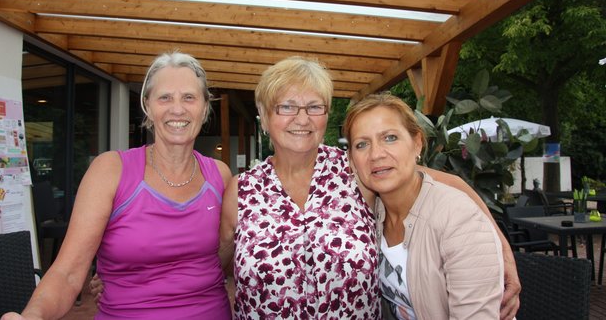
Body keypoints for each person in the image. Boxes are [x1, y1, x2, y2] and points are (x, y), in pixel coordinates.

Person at [218, 56, 520, 319]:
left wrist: (503, 254)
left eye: (314, 106)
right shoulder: (242, 190)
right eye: (287, 107)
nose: (302, 118)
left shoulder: (355, 168)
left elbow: (451, 185)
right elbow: (221, 263)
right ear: (264, 118)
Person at [2, 51, 232, 320]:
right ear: (148, 105)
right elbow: (68, 272)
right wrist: (34, 315)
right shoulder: (111, 171)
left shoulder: (220, 176)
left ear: (205, 107)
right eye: (165, 97)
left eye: (189, 97)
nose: (177, 109)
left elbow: (226, 260)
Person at [343, 92, 504, 319]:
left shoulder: (459, 219)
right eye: (362, 144)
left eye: (390, 138)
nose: (376, 154)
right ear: (352, 160)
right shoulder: (369, 213)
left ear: (417, 143)